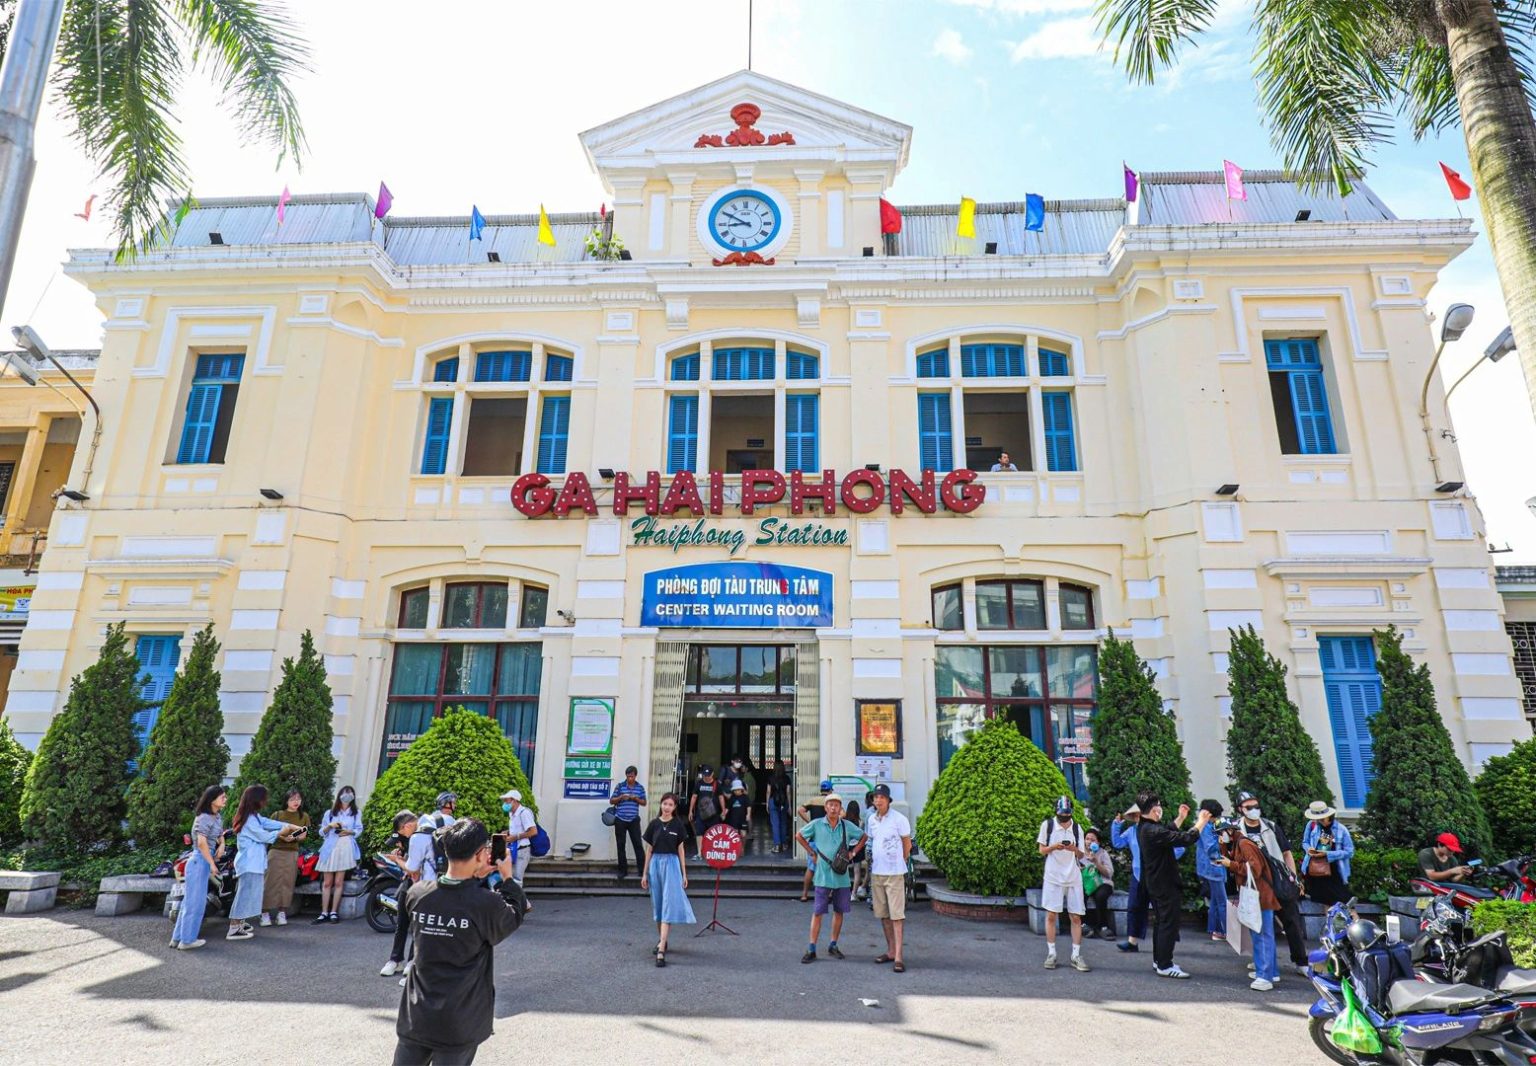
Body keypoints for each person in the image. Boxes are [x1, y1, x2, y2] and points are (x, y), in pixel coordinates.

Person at [393, 818, 529, 1065]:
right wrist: (508, 879)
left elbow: (452, 898)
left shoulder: (418, 894)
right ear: (481, 854)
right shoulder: (486, 904)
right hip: (459, 1020)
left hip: (417, 1016)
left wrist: (474, 877)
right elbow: (512, 916)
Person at [1135, 792, 1212, 978]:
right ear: (1154, 809)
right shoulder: (1152, 831)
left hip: (1155, 883)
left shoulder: (1145, 827)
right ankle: (1165, 964)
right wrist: (1201, 821)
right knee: (1168, 923)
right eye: (1159, 806)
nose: (1160, 808)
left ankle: (1159, 960)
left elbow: (1168, 832)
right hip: (1164, 884)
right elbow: (1185, 838)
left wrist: (1181, 818)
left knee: (1161, 922)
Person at [1234, 791, 1309, 975]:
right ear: (1240, 809)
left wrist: (1293, 876)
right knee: (1258, 925)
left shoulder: (1271, 826)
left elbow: (1286, 852)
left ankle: (1301, 961)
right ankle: (1264, 962)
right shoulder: (1237, 830)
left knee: (1291, 920)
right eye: (1249, 807)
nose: (1254, 810)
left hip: (1278, 879)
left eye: (1256, 806)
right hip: (1255, 884)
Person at [229, 784, 306, 940]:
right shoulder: (249, 820)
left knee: (249, 895)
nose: (266, 801)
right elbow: (264, 836)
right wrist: (282, 832)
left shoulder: (254, 816)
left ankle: (240, 924)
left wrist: (290, 826)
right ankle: (233, 928)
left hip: (254, 864)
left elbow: (267, 823)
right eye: (264, 798)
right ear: (256, 799)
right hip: (249, 864)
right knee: (244, 895)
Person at [796, 792, 866, 963]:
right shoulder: (817, 824)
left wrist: (853, 852)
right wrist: (811, 852)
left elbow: (863, 836)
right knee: (818, 912)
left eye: (837, 805)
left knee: (839, 911)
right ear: (825, 808)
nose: (834, 808)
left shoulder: (846, 826)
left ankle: (833, 944)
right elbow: (799, 836)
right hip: (822, 875)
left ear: (840, 808)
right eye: (830, 805)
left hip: (841, 876)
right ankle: (811, 947)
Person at [1217, 819, 1281, 991]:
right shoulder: (1239, 843)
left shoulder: (1244, 844)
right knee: (1263, 934)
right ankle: (1271, 971)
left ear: (1230, 831)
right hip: (1259, 895)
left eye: (1221, 833)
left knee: (1261, 936)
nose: (1220, 836)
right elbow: (1231, 860)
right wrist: (1224, 850)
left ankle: (1265, 976)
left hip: (1260, 895)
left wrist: (1231, 864)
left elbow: (1255, 869)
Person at [640, 792, 695, 966]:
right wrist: (644, 873)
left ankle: (661, 949)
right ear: (661, 804)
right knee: (658, 905)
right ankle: (662, 939)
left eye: (670, 805)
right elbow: (649, 850)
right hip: (656, 865)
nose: (667, 807)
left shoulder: (678, 825)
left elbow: (681, 851)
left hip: (671, 865)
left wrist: (684, 873)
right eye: (665, 804)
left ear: (674, 807)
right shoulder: (654, 825)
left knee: (668, 906)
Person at [170, 785, 227, 951]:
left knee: (191, 902)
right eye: (222, 797)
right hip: (198, 860)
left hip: (203, 860)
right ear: (212, 799)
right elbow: (201, 843)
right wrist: (211, 864)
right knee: (194, 903)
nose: (225, 799)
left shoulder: (216, 817)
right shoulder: (203, 817)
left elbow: (219, 835)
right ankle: (187, 940)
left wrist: (222, 844)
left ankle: (178, 938)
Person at [1038, 796, 1091, 971]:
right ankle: (1051, 953)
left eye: (1067, 815)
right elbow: (1041, 850)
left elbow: (1081, 855)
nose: (1064, 818)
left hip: (1073, 876)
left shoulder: (1077, 828)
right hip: (1053, 875)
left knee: (1076, 916)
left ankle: (1076, 955)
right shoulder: (1048, 825)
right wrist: (1054, 846)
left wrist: (1073, 848)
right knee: (1051, 915)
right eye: (1062, 815)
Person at [865, 784, 912, 971]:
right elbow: (872, 840)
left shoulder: (899, 819)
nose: (878, 800)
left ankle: (899, 956)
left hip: (894, 874)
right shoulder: (871, 820)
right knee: (883, 915)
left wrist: (898, 862)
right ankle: (891, 950)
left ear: (888, 799)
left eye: (881, 797)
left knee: (897, 916)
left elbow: (906, 845)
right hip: (877, 872)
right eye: (875, 797)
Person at [380, 810, 421, 977]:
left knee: (417, 925)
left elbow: (415, 870)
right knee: (402, 923)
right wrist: (401, 858)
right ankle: (395, 959)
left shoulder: (420, 837)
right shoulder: (410, 841)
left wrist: (398, 861)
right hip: (408, 883)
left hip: (422, 885)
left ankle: (412, 961)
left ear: (407, 826)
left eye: (401, 832)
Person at [261, 788, 310, 927]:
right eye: (292, 799)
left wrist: (292, 837)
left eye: (298, 799)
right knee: (270, 882)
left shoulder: (303, 816)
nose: (296, 802)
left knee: (287, 882)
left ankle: (282, 912)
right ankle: (264, 913)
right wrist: (283, 836)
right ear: (286, 801)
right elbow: (269, 831)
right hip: (276, 851)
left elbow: (303, 834)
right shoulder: (277, 815)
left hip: (292, 852)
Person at [314, 785, 361, 924]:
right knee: (327, 882)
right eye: (345, 792)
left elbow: (358, 829)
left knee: (339, 881)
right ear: (340, 794)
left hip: (345, 845)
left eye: (351, 793)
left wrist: (349, 832)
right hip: (330, 845)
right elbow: (321, 832)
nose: (348, 795)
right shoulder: (330, 812)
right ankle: (324, 912)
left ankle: (334, 911)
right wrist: (331, 826)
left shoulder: (356, 812)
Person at [1111, 803, 1150, 952]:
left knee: (1161, 909)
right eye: (1135, 815)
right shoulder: (1131, 831)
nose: (1138, 817)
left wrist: (1165, 862)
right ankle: (1132, 942)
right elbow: (1118, 843)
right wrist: (1116, 825)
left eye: (1140, 814)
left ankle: (1167, 941)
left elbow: (1179, 848)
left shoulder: (1156, 829)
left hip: (1155, 875)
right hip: (1137, 874)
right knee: (1134, 907)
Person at [1300, 801, 1355, 905]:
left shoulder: (1340, 829)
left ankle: (1353, 921)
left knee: (1345, 904)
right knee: (1326, 903)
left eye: (1321, 818)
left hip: (1335, 872)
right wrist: (1309, 849)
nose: (1319, 821)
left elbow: (1349, 852)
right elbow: (1305, 842)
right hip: (1317, 870)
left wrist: (1328, 854)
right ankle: (1329, 921)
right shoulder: (1312, 825)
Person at [1195, 799, 1228, 942]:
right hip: (1214, 867)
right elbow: (1211, 849)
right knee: (1221, 901)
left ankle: (1215, 930)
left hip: (1208, 867)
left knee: (1215, 901)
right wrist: (1221, 845)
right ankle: (1224, 930)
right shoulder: (1207, 828)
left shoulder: (1204, 826)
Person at [608, 765, 647, 881]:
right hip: (620, 819)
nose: (630, 778)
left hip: (634, 819)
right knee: (621, 846)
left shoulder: (640, 788)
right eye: (628, 776)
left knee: (638, 845)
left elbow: (644, 802)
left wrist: (635, 799)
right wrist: (621, 797)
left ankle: (642, 870)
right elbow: (611, 800)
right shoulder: (620, 786)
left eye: (632, 776)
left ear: (635, 776)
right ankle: (622, 871)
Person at [797, 779, 832, 902]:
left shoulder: (812, 800)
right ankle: (827, 895)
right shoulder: (831, 802)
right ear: (831, 790)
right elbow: (842, 814)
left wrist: (810, 822)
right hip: (827, 839)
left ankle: (804, 894)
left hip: (813, 839)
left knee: (811, 868)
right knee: (827, 868)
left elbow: (800, 810)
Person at [502, 789, 536, 906]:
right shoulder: (512, 814)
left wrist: (515, 836)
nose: (505, 804)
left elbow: (533, 831)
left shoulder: (524, 813)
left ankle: (521, 905)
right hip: (514, 849)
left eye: (507, 801)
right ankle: (524, 904)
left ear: (515, 801)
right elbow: (518, 829)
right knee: (512, 879)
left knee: (517, 880)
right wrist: (508, 832)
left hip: (522, 849)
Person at [1080, 828, 1116, 940]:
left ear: (1098, 842)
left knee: (1101, 895)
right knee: (1079, 893)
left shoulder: (1103, 853)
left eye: (1093, 839)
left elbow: (1109, 873)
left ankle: (1103, 926)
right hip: (1086, 883)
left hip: (1102, 882)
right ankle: (1083, 925)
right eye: (1087, 839)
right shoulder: (1079, 853)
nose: (1089, 841)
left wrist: (1096, 862)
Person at [688, 765, 723, 856]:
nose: (707, 777)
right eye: (705, 775)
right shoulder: (699, 783)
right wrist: (690, 811)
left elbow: (721, 797)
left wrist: (723, 810)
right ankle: (699, 852)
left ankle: (713, 852)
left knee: (714, 833)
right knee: (699, 832)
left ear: (713, 774)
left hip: (713, 813)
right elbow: (694, 797)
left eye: (709, 775)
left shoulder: (717, 784)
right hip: (701, 813)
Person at [767, 759, 791, 854]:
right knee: (783, 823)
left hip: (773, 801)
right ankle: (784, 844)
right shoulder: (787, 778)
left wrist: (767, 803)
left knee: (775, 824)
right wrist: (789, 805)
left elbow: (768, 791)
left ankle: (777, 845)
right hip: (784, 801)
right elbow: (788, 792)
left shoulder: (771, 778)